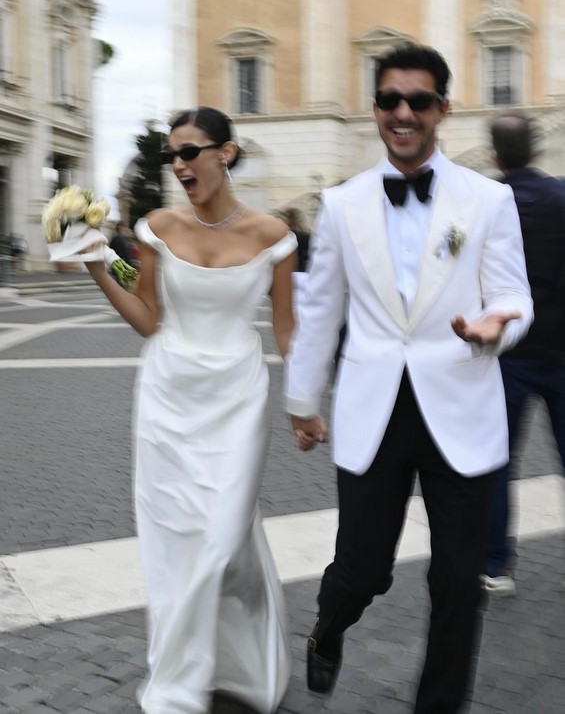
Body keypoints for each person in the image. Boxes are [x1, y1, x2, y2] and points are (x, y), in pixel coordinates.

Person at [285, 43, 533, 714]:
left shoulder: (487, 199)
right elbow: (320, 310)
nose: (403, 113)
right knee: (362, 571)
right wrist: (303, 400)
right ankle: (329, 624)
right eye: (390, 100)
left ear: (441, 110)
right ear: (374, 108)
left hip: (462, 406)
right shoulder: (341, 205)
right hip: (373, 412)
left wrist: (497, 326)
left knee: (458, 584)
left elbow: (513, 294)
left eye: (418, 101)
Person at [84, 106, 295, 714]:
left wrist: (308, 401)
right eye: (171, 155)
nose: (178, 165)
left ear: (225, 153)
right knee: (177, 545)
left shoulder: (274, 236)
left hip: (237, 401)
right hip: (167, 399)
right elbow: (148, 319)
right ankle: (181, 683)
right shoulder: (157, 227)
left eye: (189, 152)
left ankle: (239, 662)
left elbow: (289, 330)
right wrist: (97, 266)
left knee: (223, 541)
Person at [482, 113, 565, 597]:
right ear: (536, 149)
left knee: (499, 464)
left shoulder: (486, 203)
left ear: (494, 155)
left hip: (507, 352)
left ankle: (497, 565)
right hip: (562, 349)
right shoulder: (561, 197)